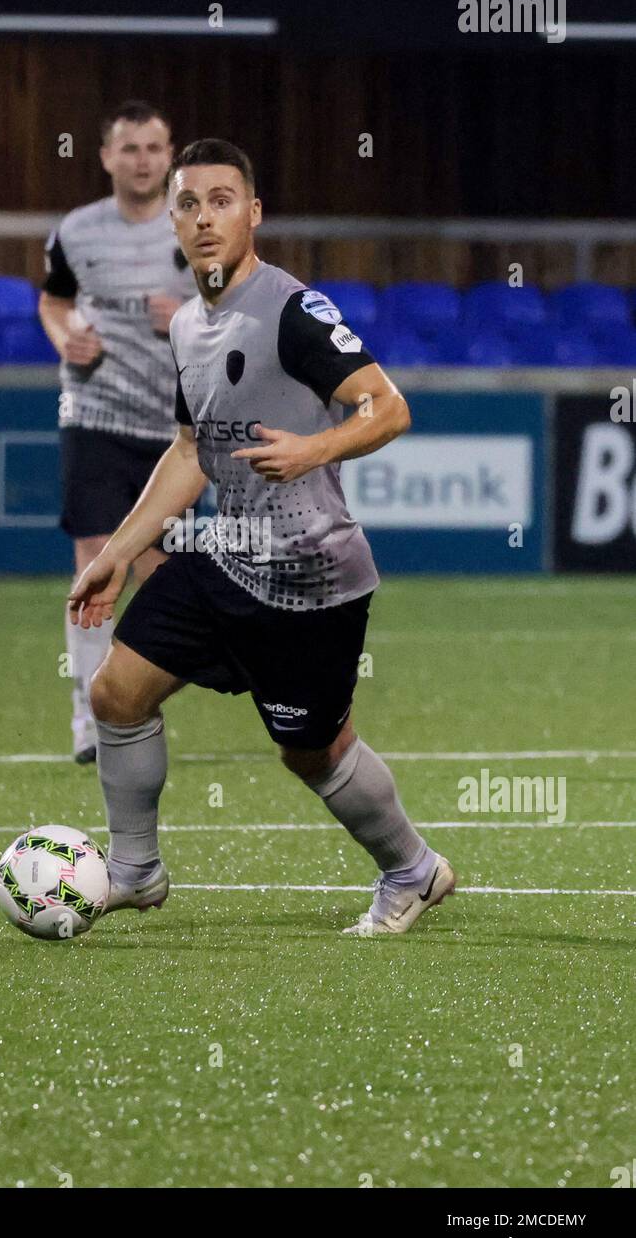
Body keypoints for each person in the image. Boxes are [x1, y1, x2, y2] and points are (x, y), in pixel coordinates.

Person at [68, 138, 456, 937]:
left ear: (253, 213)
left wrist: (313, 447)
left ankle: (414, 871)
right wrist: (113, 551)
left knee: (311, 753)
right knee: (114, 693)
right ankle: (136, 871)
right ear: (173, 220)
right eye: (189, 203)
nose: (204, 217)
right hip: (224, 554)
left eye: (221, 200)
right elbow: (188, 452)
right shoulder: (187, 326)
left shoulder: (293, 310)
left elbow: (389, 407)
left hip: (313, 576)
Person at [39, 101, 197, 764]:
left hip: (178, 433)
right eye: (129, 148)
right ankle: (89, 717)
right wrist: (64, 335)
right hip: (95, 414)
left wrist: (187, 315)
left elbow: (242, 307)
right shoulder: (75, 231)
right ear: (105, 156)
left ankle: (131, 701)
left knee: (160, 577)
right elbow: (53, 301)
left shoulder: (198, 225)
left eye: (154, 148)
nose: (142, 160)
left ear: (170, 156)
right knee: (100, 559)